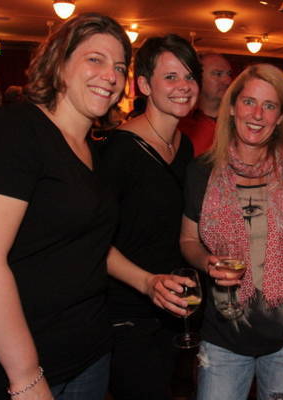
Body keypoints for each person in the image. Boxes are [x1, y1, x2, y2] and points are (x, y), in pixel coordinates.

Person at [0, 13, 132, 400]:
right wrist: (25, 376)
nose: (111, 75)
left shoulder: (92, 147)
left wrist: (147, 282)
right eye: (95, 59)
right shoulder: (13, 130)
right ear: (58, 62)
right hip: (15, 366)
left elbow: (85, 245)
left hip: (88, 355)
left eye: (120, 67)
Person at [180, 63, 283, 400]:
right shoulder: (201, 171)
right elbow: (188, 239)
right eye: (249, 102)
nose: (257, 114)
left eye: (269, 106)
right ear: (232, 108)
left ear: (280, 117)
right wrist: (207, 261)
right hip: (223, 332)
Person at [97, 34, 201, 400]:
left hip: (173, 308)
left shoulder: (184, 145)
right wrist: (147, 282)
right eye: (170, 77)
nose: (183, 86)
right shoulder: (118, 151)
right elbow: (94, 242)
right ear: (143, 85)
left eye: (189, 76)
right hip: (127, 311)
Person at [178, 53, 232, 156]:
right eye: (218, 74)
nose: (227, 81)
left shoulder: (239, 122)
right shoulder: (181, 124)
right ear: (198, 79)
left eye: (229, 74)